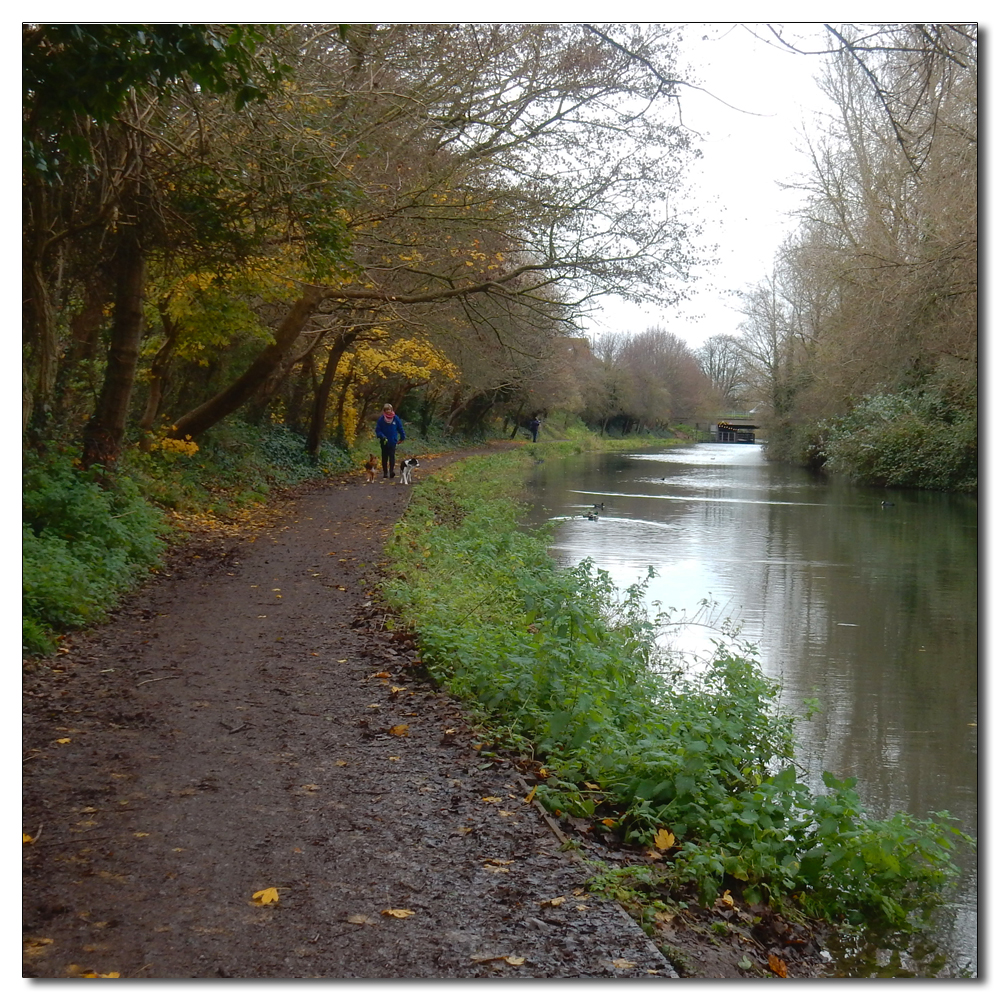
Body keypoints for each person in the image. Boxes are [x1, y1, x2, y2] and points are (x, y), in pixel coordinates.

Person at [375, 403, 405, 478]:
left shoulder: (396, 418)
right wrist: (382, 436)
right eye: (386, 410)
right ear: (384, 411)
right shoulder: (381, 419)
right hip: (384, 441)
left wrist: (402, 437)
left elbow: (400, 428)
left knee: (392, 456)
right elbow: (378, 430)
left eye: (389, 409)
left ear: (391, 410)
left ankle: (391, 471)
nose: (388, 411)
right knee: (384, 457)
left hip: (392, 441)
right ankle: (385, 472)